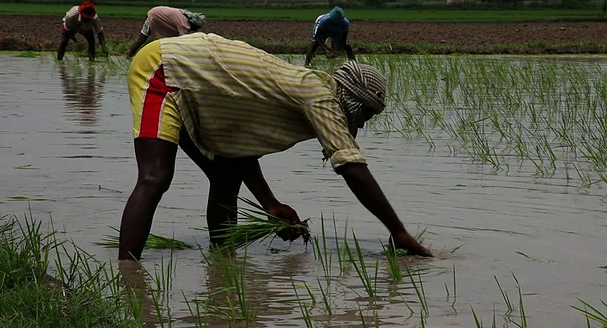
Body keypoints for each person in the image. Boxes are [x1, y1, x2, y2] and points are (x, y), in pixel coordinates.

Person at [118, 32, 433, 261]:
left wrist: (270, 205)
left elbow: (239, 152)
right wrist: (398, 231)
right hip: (164, 67)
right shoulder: (319, 97)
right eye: (364, 115)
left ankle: (221, 265)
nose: (361, 124)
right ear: (351, 100)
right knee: (155, 176)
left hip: (195, 82)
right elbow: (352, 166)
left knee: (226, 178)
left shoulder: (302, 94)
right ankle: (128, 280)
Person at [127, 6, 206, 58]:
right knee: (142, 38)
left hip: (157, 13)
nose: (196, 30)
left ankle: (133, 54)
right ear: (193, 24)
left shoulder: (185, 15)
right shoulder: (183, 24)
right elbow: (183, 42)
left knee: (149, 38)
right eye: (197, 28)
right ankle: (129, 54)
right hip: (154, 16)